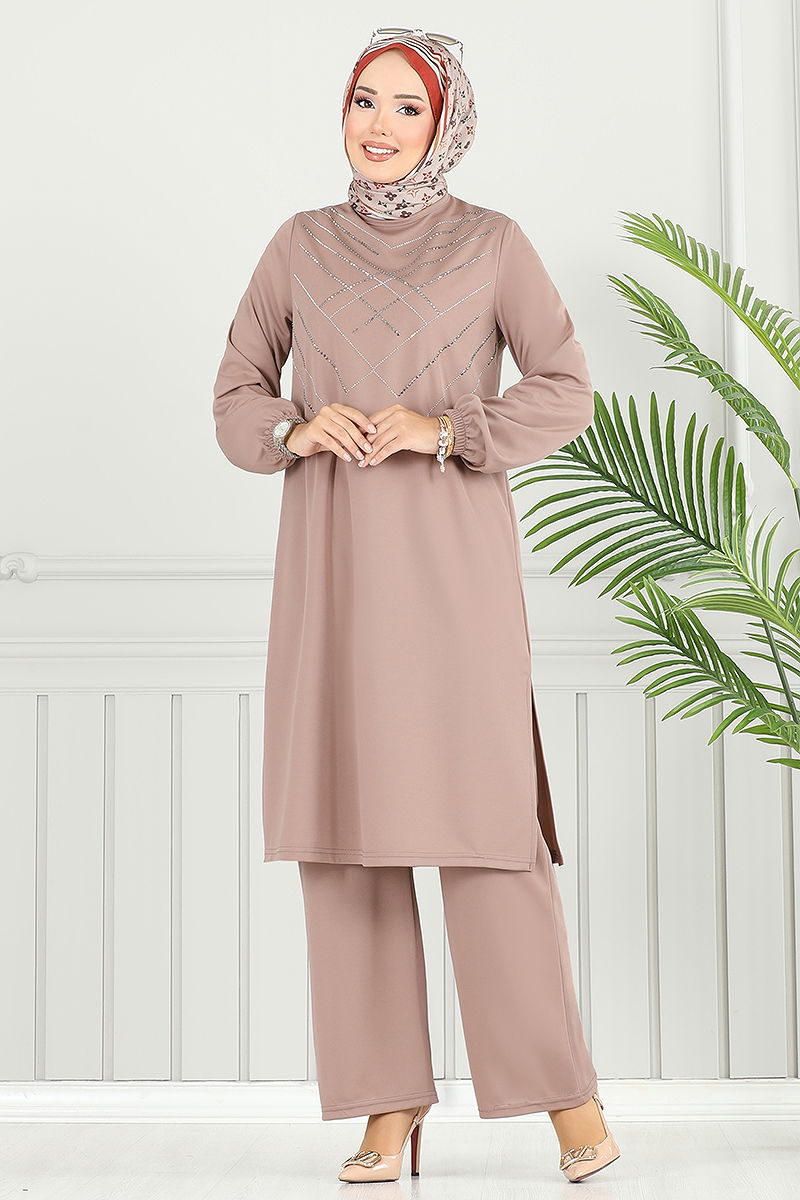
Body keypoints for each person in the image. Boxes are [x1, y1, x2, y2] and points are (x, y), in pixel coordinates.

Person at [212, 27, 621, 1185]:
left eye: (406, 106)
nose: (380, 125)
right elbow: (235, 391)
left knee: (487, 835)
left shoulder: (490, 244)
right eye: (363, 101)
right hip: (333, 580)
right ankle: (387, 1104)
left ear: (446, 125)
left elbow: (566, 388)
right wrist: (295, 429)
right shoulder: (298, 246)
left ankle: (564, 1094)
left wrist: (446, 430)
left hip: (452, 579)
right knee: (344, 839)